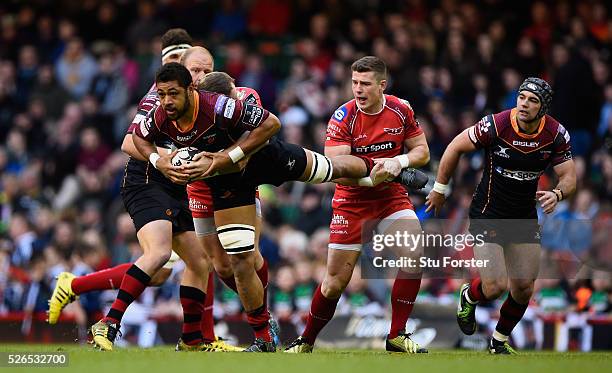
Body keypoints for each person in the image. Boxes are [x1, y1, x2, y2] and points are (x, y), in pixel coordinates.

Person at [131, 63, 421, 352]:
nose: (168, 100)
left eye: (174, 92)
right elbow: (136, 139)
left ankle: (380, 169)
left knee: (328, 169)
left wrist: (227, 156)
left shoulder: (228, 104)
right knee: (230, 262)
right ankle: (266, 331)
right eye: (164, 94)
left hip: (267, 159)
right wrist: (162, 162)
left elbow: (269, 126)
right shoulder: (161, 116)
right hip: (227, 183)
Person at [48, 29, 218, 353]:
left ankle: (195, 340)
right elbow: (129, 141)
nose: (199, 74)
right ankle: (108, 323)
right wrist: (161, 158)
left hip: (177, 184)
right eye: (194, 68)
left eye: (204, 69)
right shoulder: (160, 96)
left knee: (197, 262)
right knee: (159, 257)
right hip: (148, 180)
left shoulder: (205, 100)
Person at [283, 56, 430, 354]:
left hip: (390, 198)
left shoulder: (401, 110)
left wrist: (396, 162)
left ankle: (397, 335)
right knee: (335, 283)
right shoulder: (343, 116)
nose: (358, 90)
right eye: (354, 83)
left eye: (365, 84)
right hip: (352, 201)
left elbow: (422, 152)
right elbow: (337, 169)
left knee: (414, 251)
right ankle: (306, 341)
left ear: (381, 85)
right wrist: (373, 176)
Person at [425, 77, 576, 354]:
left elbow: (569, 176)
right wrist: (440, 188)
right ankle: (469, 296)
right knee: (494, 286)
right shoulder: (496, 124)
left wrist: (557, 194)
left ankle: (499, 341)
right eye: (522, 97)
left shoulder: (555, 134)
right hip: (488, 213)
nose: (524, 104)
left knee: (523, 289)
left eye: (532, 100)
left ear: (543, 109)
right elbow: (455, 147)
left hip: (523, 217)